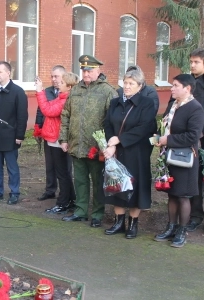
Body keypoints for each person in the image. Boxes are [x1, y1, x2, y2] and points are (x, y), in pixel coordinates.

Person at [60, 54, 118, 227]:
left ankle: (98, 214)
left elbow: (113, 119)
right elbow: (66, 115)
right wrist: (63, 138)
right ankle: (80, 211)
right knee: (80, 180)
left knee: (98, 181)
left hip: (96, 147)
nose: (86, 74)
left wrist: (109, 144)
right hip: (76, 144)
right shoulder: (76, 90)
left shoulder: (108, 91)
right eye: (84, 70)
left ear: (98, 70)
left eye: (90, 70)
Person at [102, 67, 157, 239]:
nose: (127, 86)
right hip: (117, 152)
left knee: (136, 186)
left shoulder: (147, 104)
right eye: (125, 82)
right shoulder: (115, 102)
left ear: (140, 86)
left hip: (137, 153)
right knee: (116, 185)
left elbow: (145, 127)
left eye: (131, 83)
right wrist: (111, 141)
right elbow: (108, 123)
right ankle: (118, 222)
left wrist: (120, 140)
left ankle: (133, 223)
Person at [154, 74, 204, 247]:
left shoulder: (195, 108)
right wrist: (159, 138)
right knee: (172, 194)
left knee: (183, 196)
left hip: (185, 159)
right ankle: (171, 227)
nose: (172, 88)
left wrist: (168, 140)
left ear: (187, 88)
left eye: (175, 85)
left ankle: (182, 231)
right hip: (170, 156)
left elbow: (193, 136)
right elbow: (167, 127)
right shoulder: (174, 105)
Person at [0, 61, 28, 205]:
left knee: (12, 167)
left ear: (8, 73)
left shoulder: (18, 92)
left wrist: (20, 135)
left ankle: (14, 192)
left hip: (10, 136)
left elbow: (22, 116)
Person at [35, 72, 78, 213]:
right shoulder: (62, 97)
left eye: (62, 82)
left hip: (58, 140)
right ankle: (71, 199)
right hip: (55, 139)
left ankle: (63, 202)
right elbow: (48, 106)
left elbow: (47, 110)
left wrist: (40, 91)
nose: (59, 83)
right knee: (63, 171)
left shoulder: (65, 100)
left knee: (62, 173)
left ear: (70, 87)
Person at [186, 48, 204, 232]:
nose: (192, 65)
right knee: (196, 177)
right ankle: (196, 215)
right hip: (195, 138)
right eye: (191, 62)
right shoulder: (191, 83)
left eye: (196, 62)